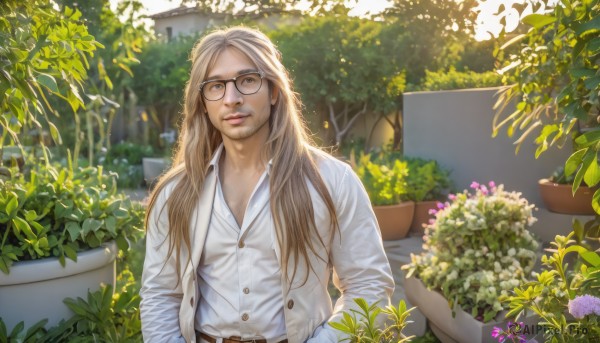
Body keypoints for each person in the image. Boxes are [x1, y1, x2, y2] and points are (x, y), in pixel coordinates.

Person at [140, 26, 394, 343]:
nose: (231, 99)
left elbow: (368, 285)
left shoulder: (333, 181)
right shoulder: (175, 193)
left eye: (247, 80)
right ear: (203, 101)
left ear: (274, 91)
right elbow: (160, 294)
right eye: (216, 85)